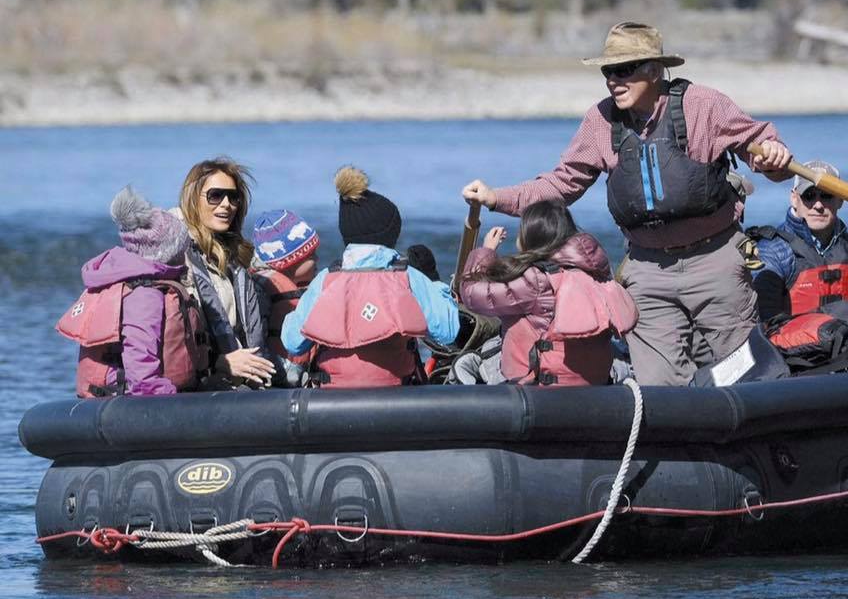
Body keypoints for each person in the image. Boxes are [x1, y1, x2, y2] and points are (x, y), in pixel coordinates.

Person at [461, 21, 793, 386]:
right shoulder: (601, 120)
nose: (612, 81)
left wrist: (771, 156)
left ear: (653, 70)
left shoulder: (703, 105)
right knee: (657, 387)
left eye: (623, 70)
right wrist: (496, 198)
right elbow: (561, 184)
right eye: (607, 71)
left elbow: (760, 147)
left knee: (745, 372)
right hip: (647, 270)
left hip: (715, 260)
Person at [281, 166, 460, 388]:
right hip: (397, 397)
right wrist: (434, 283)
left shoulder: (325, 281)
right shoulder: (408, 277)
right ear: (390, 234)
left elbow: (293, 342)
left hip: (330, 402)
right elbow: (448, 331)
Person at [459, 201, 638, 386]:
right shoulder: (595, 273)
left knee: (475, 361)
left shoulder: (535, 280)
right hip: (594, 384)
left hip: (537, 389)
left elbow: (471, 294)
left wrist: (486, 251)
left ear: (532, 236)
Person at [56, 186, 209, 397]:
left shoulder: (137, 282)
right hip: (128, 394)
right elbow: (139, 350)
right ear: (166, 255)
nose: (184, 257)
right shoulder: (145, 293)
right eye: (181, 250)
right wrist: (153, 389)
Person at [750, 160, 848, 320]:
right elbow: (763, 324)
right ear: (794, 198)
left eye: (827, 195)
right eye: (809, 195)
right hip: (791, 344)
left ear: (840, 201)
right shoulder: (772, 252)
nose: (818, 205)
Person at [178, 157, 277, 388]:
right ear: (193, 198)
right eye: (215, 195)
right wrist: (220, 362)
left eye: (233, 197)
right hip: (200, 388)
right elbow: (171, 338)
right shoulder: (177, 259)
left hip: (241, 384)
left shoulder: (237, 259)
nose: (226, 204)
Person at [251, 209, 321, 387]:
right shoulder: (261, 290)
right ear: (289, 262)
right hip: (277, 379)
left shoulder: (307, 288)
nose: (318, 259)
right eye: (311, 255)